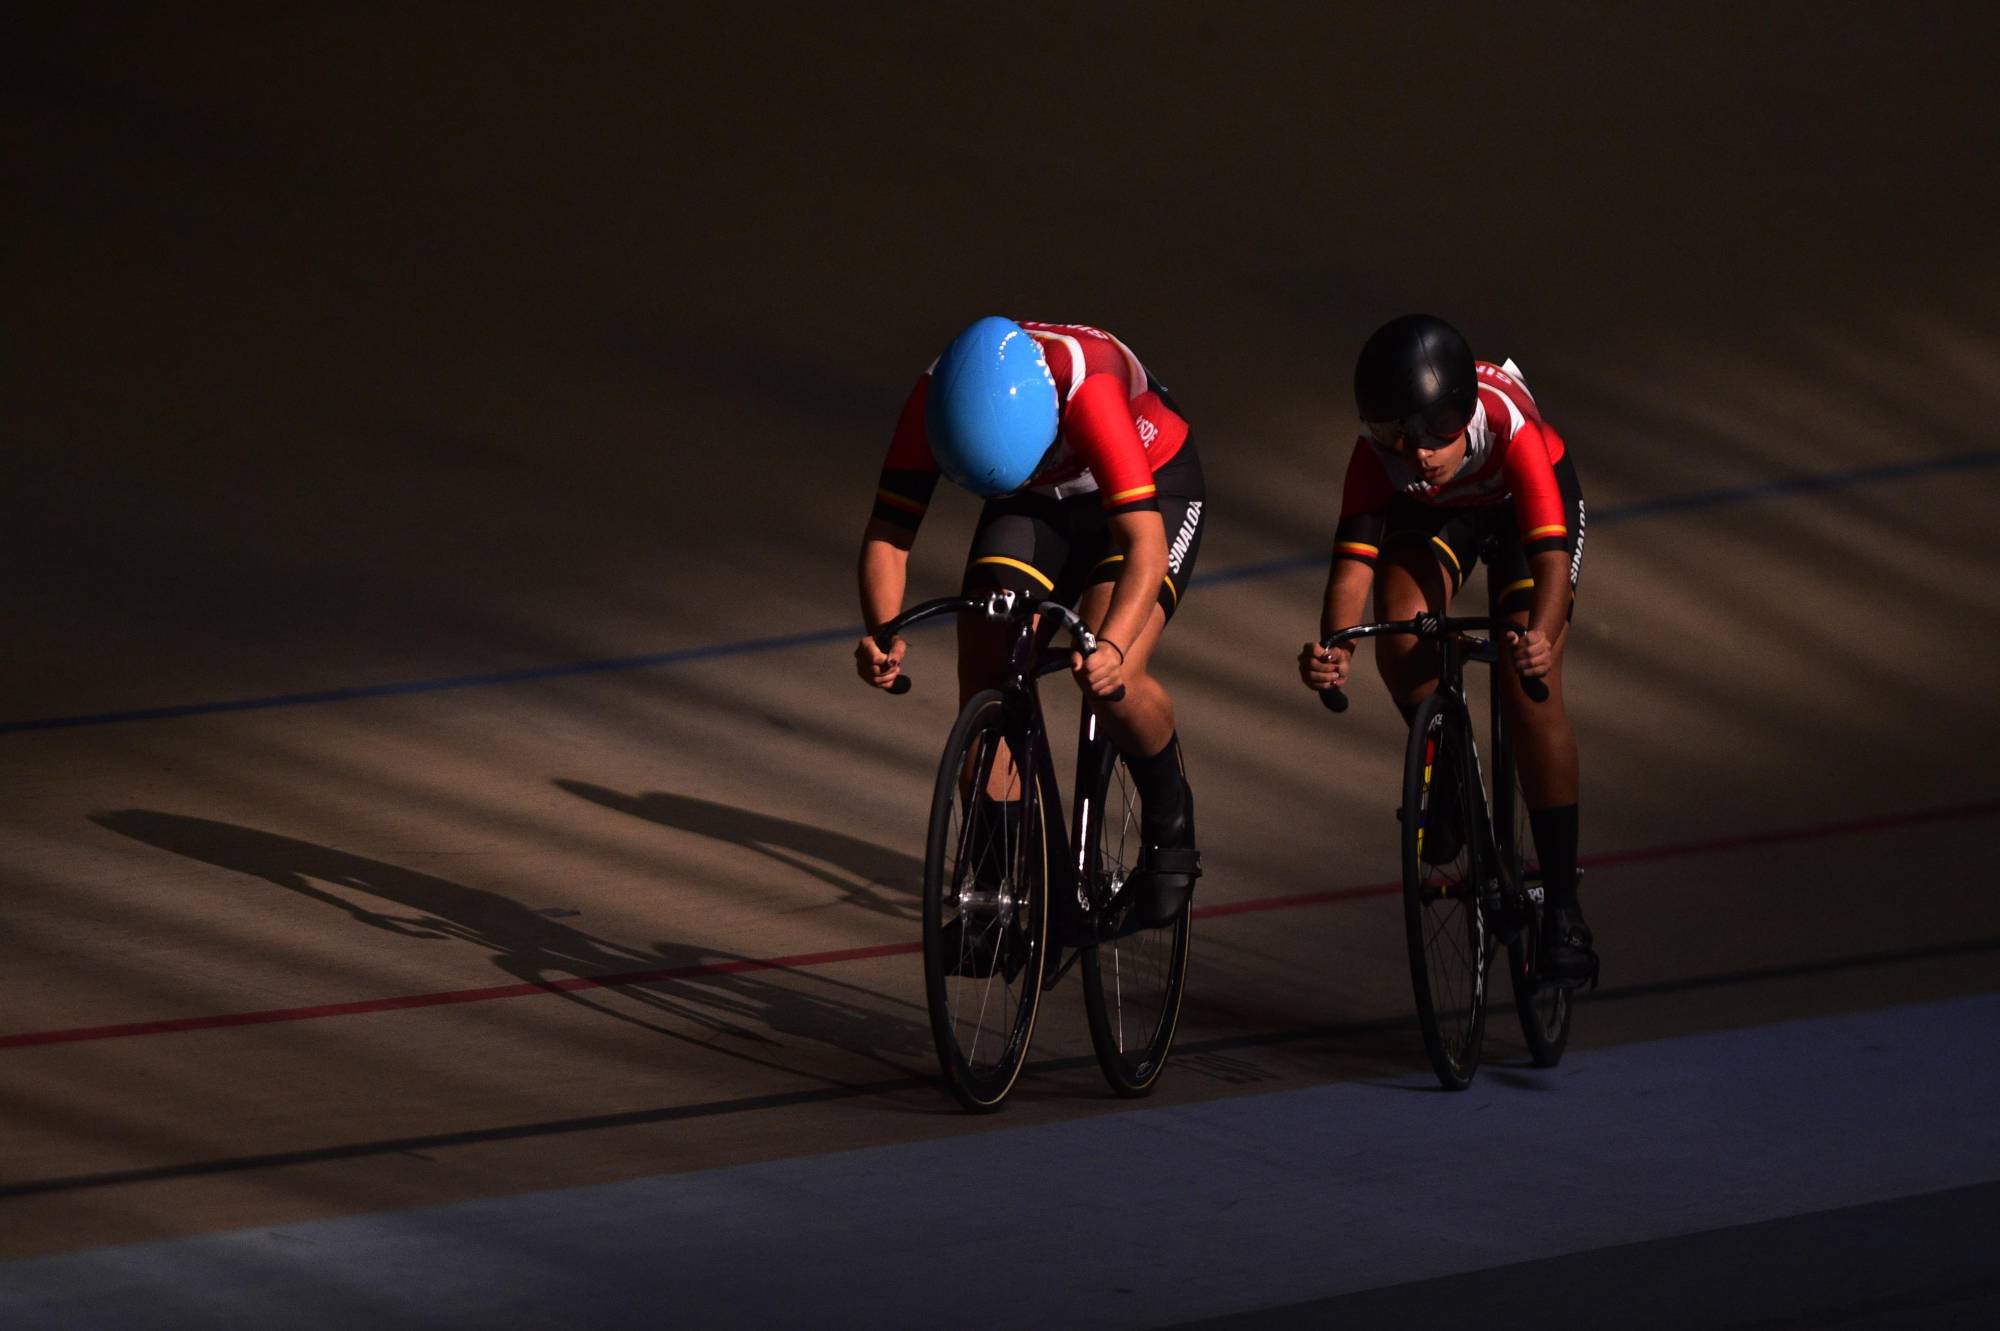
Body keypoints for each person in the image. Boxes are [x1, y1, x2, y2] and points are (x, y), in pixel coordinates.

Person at [856, 317, 1205, 926]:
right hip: (1031, 494)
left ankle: (1170, 826)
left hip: (1149, 489)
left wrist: (1115, 648)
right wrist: (883, 630)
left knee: (1103, 670)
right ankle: (991, 892)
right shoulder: (933, 399)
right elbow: (890, 531)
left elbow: (1145, 544)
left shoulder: (1089, 390)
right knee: (989, 671)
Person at [1297, 313, 1596, 983]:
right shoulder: (1384, 461)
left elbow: (1550, 564)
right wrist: (1334, 646)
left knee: (1528, 690)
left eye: (1439, 432)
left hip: (1526, 507)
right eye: (1402, 438)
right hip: (1443, 519)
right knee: (1400, 627)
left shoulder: (1511, 428)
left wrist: (1541, 641)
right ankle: (1452, 778)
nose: (1422, 453)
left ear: (1466, 413)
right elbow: (1351, 573)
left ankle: (1565, 907)